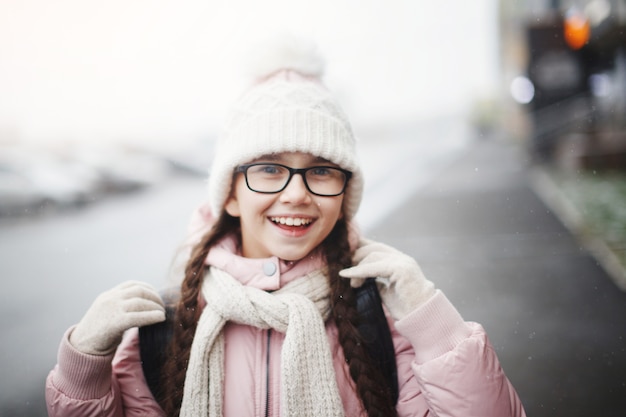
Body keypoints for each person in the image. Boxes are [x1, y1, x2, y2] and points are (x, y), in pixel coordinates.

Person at [45, 36, 527, 417]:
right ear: (229, 194)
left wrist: (435, 324)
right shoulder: (164, 330)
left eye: (321, 170)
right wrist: (84, 368)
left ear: (345, 196)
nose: (296, 193)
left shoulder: (383, 316)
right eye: (270, 168)